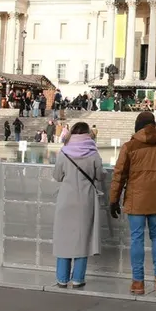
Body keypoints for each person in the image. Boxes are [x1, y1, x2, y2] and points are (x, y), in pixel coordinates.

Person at [108, 111, 156, 295]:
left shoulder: (129, 147)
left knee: (137, 239)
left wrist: (113, 200)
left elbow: (119, 176)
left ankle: (138, 282)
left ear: (137, 127)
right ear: (154, 126)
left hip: (136, 201)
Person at [51, 122, 105, 289]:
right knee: (83, 239)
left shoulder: (64, 153)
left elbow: (57, 176)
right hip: (85, 200)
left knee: (63, 239)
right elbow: (100, 176)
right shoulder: (93, 153)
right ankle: (78, 279)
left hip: (66, 200)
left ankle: (61, 279)